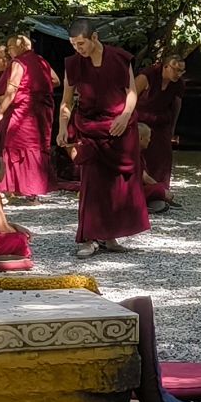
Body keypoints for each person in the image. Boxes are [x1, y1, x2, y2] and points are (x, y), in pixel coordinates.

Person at [60, 21, 148, 259]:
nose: (78, 49)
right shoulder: (73, 64)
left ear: (94, 37)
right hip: (90, 128)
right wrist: (61, 128)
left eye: (81, 43)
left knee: (118, 185)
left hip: (119, 128)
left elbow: (131, 91)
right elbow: (66, 101)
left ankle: (110, 235)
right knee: (92, 185)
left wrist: (125, 116)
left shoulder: (119, 58)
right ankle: (88, 238)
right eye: (74, 45)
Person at [0, 34, 58, 200]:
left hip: (24, 110)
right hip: (42, 110)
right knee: (36, 146)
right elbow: (56, 81)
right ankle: (33, 191)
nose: (9, 51)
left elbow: (11, 91)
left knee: (14, 144)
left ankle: (14, 189)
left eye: (10, 47)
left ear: (21, 46)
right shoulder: (42, 61)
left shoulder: (18, 62)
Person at [136, 54, 187, 214]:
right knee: (141, 158)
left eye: (181, 71)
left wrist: (172, 128)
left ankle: (162, 193)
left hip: (162, 122)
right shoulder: (148, 75)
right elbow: (130, 96)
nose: (178, 74)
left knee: (164, 157)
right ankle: (143, 194)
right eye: (176, 70)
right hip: (142, 120)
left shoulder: (178, 84)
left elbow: (177, 105)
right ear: (165, 67)